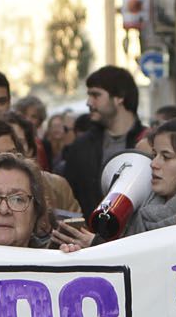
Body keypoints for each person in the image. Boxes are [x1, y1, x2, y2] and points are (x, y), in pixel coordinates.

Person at [62, 65, 146, 218]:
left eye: (96, 95)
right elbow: (67, 199)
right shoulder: (80, 147)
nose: (88, 102)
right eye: (89, 95)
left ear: (119, 97)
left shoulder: (148, 143)